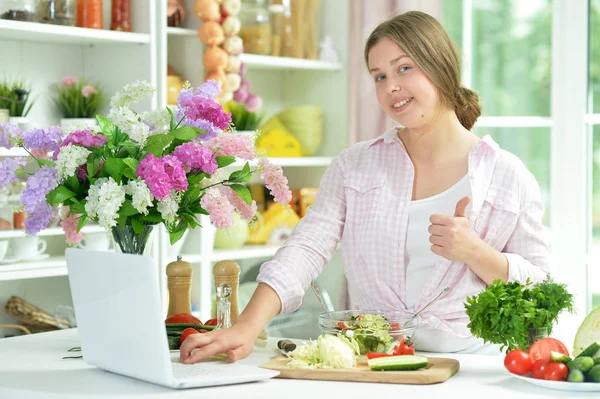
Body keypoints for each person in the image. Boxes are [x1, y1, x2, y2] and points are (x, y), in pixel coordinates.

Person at [180, 11, 550, 363]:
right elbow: (306, 248)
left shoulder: (507, 176)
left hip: (473, 370)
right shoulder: (355, 166)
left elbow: (544, 292)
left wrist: (476, 252)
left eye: (404, 68)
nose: (391, 87)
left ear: (441, 68)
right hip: (373, 362)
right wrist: (246, 327)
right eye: (379, 76)